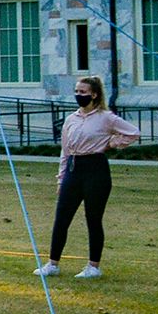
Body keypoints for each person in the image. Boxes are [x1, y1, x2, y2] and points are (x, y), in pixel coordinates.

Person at [36, 74, 139, 280]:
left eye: (82, 92)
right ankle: (52, 263)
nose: (78, 95)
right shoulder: (71, 119)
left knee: (93, 218)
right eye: (76, 91)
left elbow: (133, 133)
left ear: (94, 94)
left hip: (96, 169)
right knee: (62, 218)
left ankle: (93, 266)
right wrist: (61, 178)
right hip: (74, 169)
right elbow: (65, 151)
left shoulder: (106, 118)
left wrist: (111, 143)